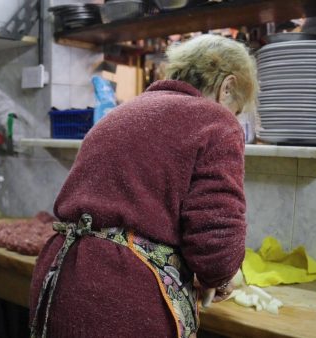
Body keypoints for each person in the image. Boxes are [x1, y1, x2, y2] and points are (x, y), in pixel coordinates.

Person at [29, 34, 258, 338]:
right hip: (122, 293)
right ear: (226, 86)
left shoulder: (121, 113)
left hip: (62, 276)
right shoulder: (214, 120)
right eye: (237, 109)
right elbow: (216, 230)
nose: (234, 118)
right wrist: (221, 273)